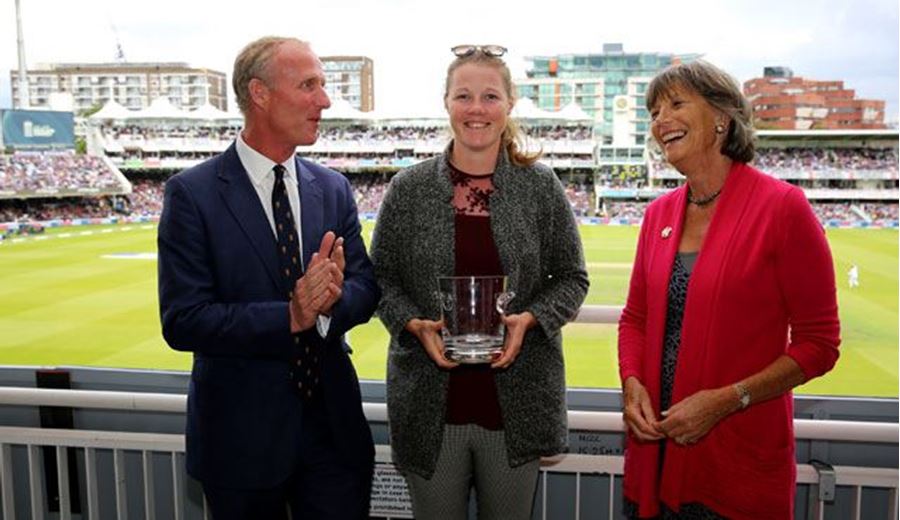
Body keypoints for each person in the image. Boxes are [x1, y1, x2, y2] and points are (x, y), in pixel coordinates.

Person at [157, 36, 379, 519]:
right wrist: (291, 315)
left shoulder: (333, 188)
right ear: (259, 94)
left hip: (333, 437)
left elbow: (366, 287)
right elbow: (184, 321)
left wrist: (330, 304)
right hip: (240, 442)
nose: (324, 100)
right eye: (309, 85)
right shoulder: (192, 195)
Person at [369, 44, 589, 520]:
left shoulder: (540, 187)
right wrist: (413, 325)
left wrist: (530, 320)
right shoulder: (408, 189)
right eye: (463, 95)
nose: (476, 109)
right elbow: (380, 278)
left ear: (509, 104)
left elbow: (572, 278)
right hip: (430, 406)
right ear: (445, 102)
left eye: (490, 96)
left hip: (517, 405)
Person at [617, 60, 841, 519]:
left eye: (676, 104)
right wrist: (632, 382)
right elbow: (634, 318)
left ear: (722, 116)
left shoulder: (782, 208)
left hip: (734, 466)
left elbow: (820, 344)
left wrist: (728, 399)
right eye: (654, 112)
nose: (661, 121)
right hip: (653, 460)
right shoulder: (658, 214)